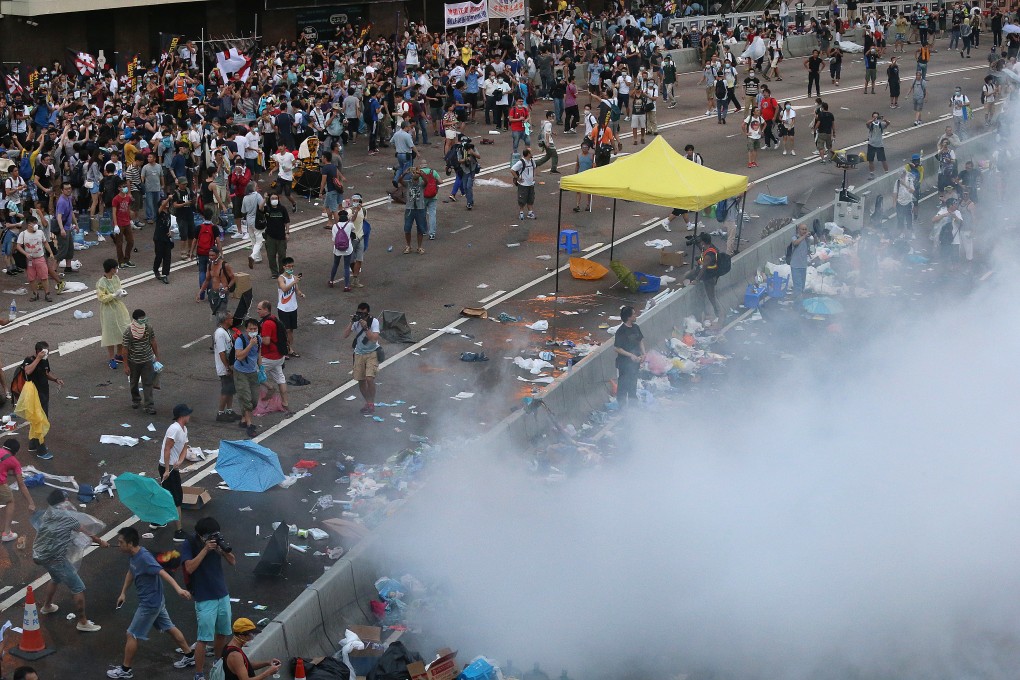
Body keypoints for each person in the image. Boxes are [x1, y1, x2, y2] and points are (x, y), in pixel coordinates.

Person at [107, 526, 195, 679]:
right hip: (156, 601)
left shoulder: (145, 558)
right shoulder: (134, 555)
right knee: (169, 627)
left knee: (131, 634)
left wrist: (178, 589)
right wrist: (123, 592)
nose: (118, 544)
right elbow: (131, 571)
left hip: (150, 604)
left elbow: (161, 572)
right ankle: (189, 655)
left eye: (121, 542)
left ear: (130, 543)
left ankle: (125, 670)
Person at [33, 489, 105, 632]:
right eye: (65, 499)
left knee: (55, 578)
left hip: (40, 555)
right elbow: (85, 531)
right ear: (61, 502)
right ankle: (83, 622)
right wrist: (101, 541)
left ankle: (47, 606)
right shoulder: (68, 518)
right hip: (55, 558)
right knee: (78, 587)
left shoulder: (48, 513)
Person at [180, 516, 237, 680]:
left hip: (222, 594)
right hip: (205, 598)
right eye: (209, 535)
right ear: (201, 535)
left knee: (222, 633)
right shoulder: (189, 543)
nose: (212, 538)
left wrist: (222, 551)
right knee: (204, 638)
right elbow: (189, 568)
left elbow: (233, 561)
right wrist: (205, 550)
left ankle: (217, 665)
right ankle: (199, 674)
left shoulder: (217, 541)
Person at [22, 341, 63, 460]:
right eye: (44, 352)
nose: (47, 354)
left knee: (38, 420)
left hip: (44, 393)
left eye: (47, 351)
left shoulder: (45, 360)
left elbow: (46, 373)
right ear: (37, 351)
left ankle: (33, 444)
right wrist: (38, 359)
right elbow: (28, 371)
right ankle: (41, 450)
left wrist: (55, 379)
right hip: (34, 395)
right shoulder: (29, 360)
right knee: (40, 421)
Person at [342, 302, 381, 416]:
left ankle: (371, 402)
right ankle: (368, 402)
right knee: (361, 380)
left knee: (369, 378)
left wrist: (365, 327)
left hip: (372, 353)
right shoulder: (356, 322)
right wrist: (351, 322)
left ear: (368, 314)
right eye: (359, 313)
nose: (361, 316)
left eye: (363, 314)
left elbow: (374, 339)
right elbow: (345, 335)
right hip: (359, 353)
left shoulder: (374, 322)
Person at [122, 309, 159, 415]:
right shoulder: (128, 331)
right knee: (134, 382)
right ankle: (136, 399)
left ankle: (149, 405)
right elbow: (125, 349)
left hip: (147, 360)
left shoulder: (148, 328)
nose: (144, 321)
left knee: (148, 383)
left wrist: (157, 356)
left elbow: (153, 341)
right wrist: (125, 365)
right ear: (136, 320)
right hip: (133, 362)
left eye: (144, 318)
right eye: (141, 319)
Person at [97, 259, 131, 370]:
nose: (117, 270)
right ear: (112, 269)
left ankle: (119, 354)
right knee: (110, 333)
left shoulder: (116, 278)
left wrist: (121, 293)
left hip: (118, 308)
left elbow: (119, 288)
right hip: (108, 310)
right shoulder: (101, 283)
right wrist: (113, 295)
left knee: (122, 330)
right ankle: (111, 358)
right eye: (116, 268)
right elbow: (102, 298)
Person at [0, 439, 34, 543]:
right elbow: (21, 484)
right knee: (10, 501)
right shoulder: (14, 462)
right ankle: (7, 533)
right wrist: (31, 503)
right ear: (15, 451)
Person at [16, 215, 54, 303]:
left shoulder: (40, 232)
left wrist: (51, 252)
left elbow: (45, 243)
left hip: (40, 258)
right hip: (29, 260)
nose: (36, 225)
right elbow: (18, 246)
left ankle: (47, 294)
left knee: (44, 277)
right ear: (29, 224)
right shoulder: (23, 234)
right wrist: (25, 253)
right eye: (34, 223)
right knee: (32, 278)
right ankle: (35, 294)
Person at [613, 306, 645, 408]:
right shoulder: (621, 331)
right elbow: (617, 348)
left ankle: (633, 408)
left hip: (635, 364)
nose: (636, 316)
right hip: (624, 364)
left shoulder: (636, 327)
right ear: (628, 317)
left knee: (633, 385)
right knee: (623, 387)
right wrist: (631, 355)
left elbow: (640, 341)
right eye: (634, 314)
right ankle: (622, 408)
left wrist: (644, 354)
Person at [686, 233, 721, 325]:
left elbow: (703, 268)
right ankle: (713, 312)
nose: (699, 243)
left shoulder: (709, 255)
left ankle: (718, 314)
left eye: (700, 241)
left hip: (709, 278)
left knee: (711, 296)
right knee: (688, 275)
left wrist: (696, 280)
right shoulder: (709, 247)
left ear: (704, 242)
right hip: (708, 275)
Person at [276, 257, 303, 357]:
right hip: (283, 308)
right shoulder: (281, 278)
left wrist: (300, 293)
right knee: (285, 330)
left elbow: (297, 290)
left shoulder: (293, 277)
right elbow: (284, 288)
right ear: (284, 267)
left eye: (292, 266)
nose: (291, 268)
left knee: (291, 330)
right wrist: (294, 282)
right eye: (289, 266)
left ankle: (290, 348)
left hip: (293, 307)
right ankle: (284, 349)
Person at [398, 166, 428, 254]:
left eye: (416, 172)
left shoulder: (421, 184)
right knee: (407, 228)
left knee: (420, 228)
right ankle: (408, 246)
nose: (414, 174)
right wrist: (404, 173)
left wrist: (421, 174)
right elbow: (399, 180)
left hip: (420, 208)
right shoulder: (408, 183)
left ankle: (419, 247)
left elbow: (427, 181)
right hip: (409, 208)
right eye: (413, 172)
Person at [263, 192, 290, 279]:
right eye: (272, 198)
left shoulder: (282, 209)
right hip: (270, 236)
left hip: (281, 236)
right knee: (271, 255)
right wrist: (264, 198)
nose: (274, 200)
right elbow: (260, 208)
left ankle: (282, 272)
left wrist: (287, 232)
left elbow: (286, 221)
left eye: (276, 198)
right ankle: (274, 273)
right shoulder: (267, 209)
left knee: (282, 255)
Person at [329, 209, 355, 291]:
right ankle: (346, 286)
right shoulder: (349, 225)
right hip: (347, 248)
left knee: (335, 264)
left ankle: (331, 281)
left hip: (337, 249)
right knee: (346, 267)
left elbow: (333, 238)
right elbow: (353, 230)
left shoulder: (334, 226)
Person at [511, 148, 537, 220]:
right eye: (531, 152)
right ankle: (521, 213)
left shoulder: (532, 161)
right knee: (522, 199)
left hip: (531, 184)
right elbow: (512, 170)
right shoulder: (521, 162)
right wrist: (517, 178)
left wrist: (534, 176)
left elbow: (534, 168)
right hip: (523, 185)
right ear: (528, 154)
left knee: (530, 199)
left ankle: (530, 212)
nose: (532, 153)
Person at [789, 223, 813, 297]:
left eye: (805, 229)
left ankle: (799, 303)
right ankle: (798, 306)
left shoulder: (807, 239)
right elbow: (795, 243)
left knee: (802, 286)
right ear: (798, 230)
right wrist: (804, 236)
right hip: (795, 266)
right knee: (798, 286)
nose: (804, 231)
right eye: (802, 229)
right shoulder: (794, 237)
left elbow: (808, 249)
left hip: (803, 266)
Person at [865, 112, 891, 178]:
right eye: (874, 117)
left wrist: (884, 119)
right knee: (870, 160)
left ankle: (887, 172)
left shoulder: (881, 124)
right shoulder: (871, 124)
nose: (876, 118)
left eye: (877, 117)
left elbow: (888, 123)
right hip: (871, 144)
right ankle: (872, 173)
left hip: (879, 145)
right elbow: (867, 123)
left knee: (883, 160)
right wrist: (873, 120)